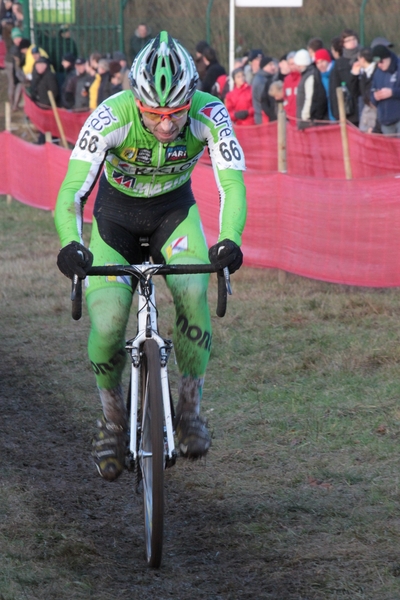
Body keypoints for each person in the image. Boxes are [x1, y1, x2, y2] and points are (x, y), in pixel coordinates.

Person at [54, 31, 247, 482]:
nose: (165, 125)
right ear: (136, 101)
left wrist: (229, 238)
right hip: (114, 221)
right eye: (155, 114)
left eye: (176, 113)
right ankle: (113, 420)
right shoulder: (110, 115)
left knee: (194, 296)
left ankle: (190, 409)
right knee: (106, 324)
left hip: (173, 216)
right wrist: (70, 243)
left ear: (191, 100)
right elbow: (72, 190)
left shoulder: (210, 112)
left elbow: (232, 183)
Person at [329, 29, 360, 126]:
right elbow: (334, 88)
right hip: (349, 110)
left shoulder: (365, 56)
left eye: (354, 39)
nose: (352, 42)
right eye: (348, 40)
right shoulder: (339, 63)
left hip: (364, 106)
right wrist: (337, 113)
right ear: (343, 44)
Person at [370, 44, 400, 135]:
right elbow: (371, 92)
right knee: (389, 149)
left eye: (381, 62)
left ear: (387, 58)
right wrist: (375, 97)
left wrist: (392, 92)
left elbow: (394, 92)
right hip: (385, 121)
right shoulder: (377, 73)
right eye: (377, 63)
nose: (379, 65)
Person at [294, 48, 328, 129]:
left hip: (307, 121)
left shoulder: (310, 76)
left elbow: (310, 98)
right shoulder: (306, 75)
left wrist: (305, 118)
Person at [351, 47, 377, 133]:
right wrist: (355, 75)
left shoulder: (377, 71)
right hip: (367, 109)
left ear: (362, 59)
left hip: (376, 109)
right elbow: (354, 92)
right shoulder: (363, 73)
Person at [252, 55, 278, 124]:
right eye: (270, 65)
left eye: (273, 64)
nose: (273, 67)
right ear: (264, 66)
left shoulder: (266, 78)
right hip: (263, 118)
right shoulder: (261, 81)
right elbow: (264, 100)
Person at [314, 48, 335, 121]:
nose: (320, 65)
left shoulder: (335, 71)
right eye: (318, 63)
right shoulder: (319, 76)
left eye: (322, 61)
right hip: (328, 116)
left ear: (328, 60)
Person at [282, 51, 301, 124]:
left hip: (302, 117)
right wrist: (287, 110)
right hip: (291, 117)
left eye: (294, 64)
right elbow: (285, 98)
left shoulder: (302, 77)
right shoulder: (287, 80)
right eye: (290, 64)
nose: (293, 66)